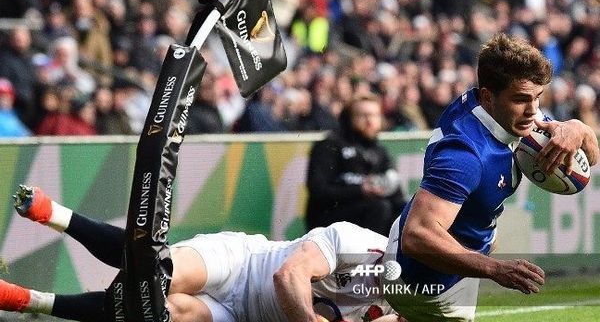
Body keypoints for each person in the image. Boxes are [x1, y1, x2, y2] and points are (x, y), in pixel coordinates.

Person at [383, 33, 600, 321]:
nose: (534, 111)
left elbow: (592, 157)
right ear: (488, 96)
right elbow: (417, 237)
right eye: (522, 99)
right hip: (429, 283)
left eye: (538, 97)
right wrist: (496, 269)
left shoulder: (498, 108)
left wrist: (577, 127)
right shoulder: (465, 155)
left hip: (455, 241)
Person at [1, 185, 399, 322]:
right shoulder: (354, 240)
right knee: (155, 274)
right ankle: (54, 214)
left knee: (150, 313)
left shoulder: (404, 303)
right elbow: (287, 277)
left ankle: (30, 302)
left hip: (239, 318)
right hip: (242, 264)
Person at [305, 93, 408, 236]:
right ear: (349, 118)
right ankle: (374, 258)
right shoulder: (330, 145)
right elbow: (318, 190)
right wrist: (360, 190)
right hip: (330, 221)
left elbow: (396, 194)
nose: (370, 121)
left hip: (371, 214)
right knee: (380, 207)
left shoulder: (379, 151)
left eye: (375, 115)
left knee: (406, 209)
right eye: (363, 115)